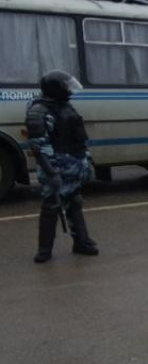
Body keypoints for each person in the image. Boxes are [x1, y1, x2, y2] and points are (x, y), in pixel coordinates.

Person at [26, 70, 98, 263]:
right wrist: (51, 172)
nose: (69, 91)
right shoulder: (38, 111)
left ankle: (81, 242)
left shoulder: (65, 106)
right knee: (51, 205)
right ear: (55, 89)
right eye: (66, 87)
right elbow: (39, 146)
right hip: (56, 167)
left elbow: (80, 137)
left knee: (75, 202)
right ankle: (44, 249)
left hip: (74, 165)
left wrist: (87, 160)